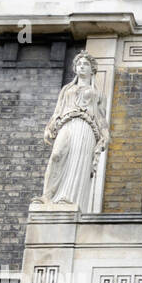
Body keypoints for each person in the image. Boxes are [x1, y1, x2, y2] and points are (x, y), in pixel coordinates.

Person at [38, 51, 110, 209]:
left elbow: (101, 118)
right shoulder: (66, 89)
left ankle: (67, 197)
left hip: (86, 127)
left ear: (92, 69)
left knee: (78, 161)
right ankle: (47, 196)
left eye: (85, 64)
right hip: (67, 123)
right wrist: (50, 126)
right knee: (57, 155)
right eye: (79, 64)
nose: (81, 67)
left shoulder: (98, 94)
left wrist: (105, 135)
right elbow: (58, 110)